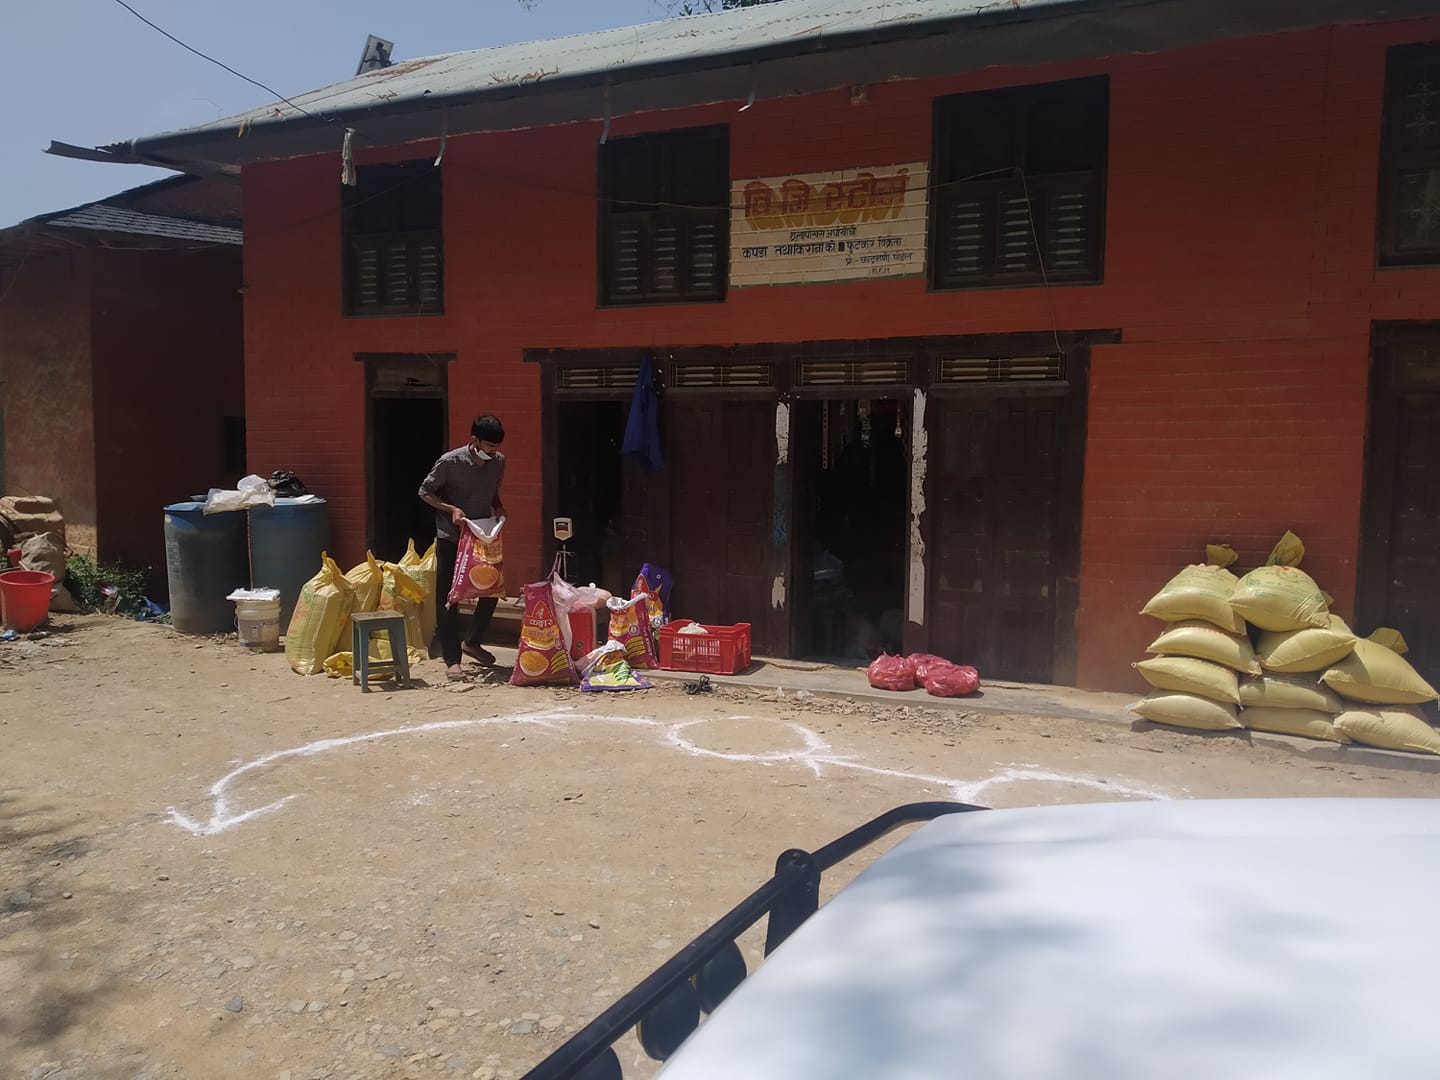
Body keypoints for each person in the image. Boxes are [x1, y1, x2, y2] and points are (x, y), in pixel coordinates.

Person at [419, 415, 506, 681]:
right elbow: (425, 492)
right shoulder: (450, 462)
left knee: (492, 588)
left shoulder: (498, 462)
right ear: (474, 440)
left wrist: (499, 508)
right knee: (449, 597)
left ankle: (473, 641)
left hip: (482, 535)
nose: (493, 452)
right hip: (452, 536)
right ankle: (452, 659)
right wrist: (452, 509)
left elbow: (492, 492)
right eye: (489, 446)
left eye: (496, 447)